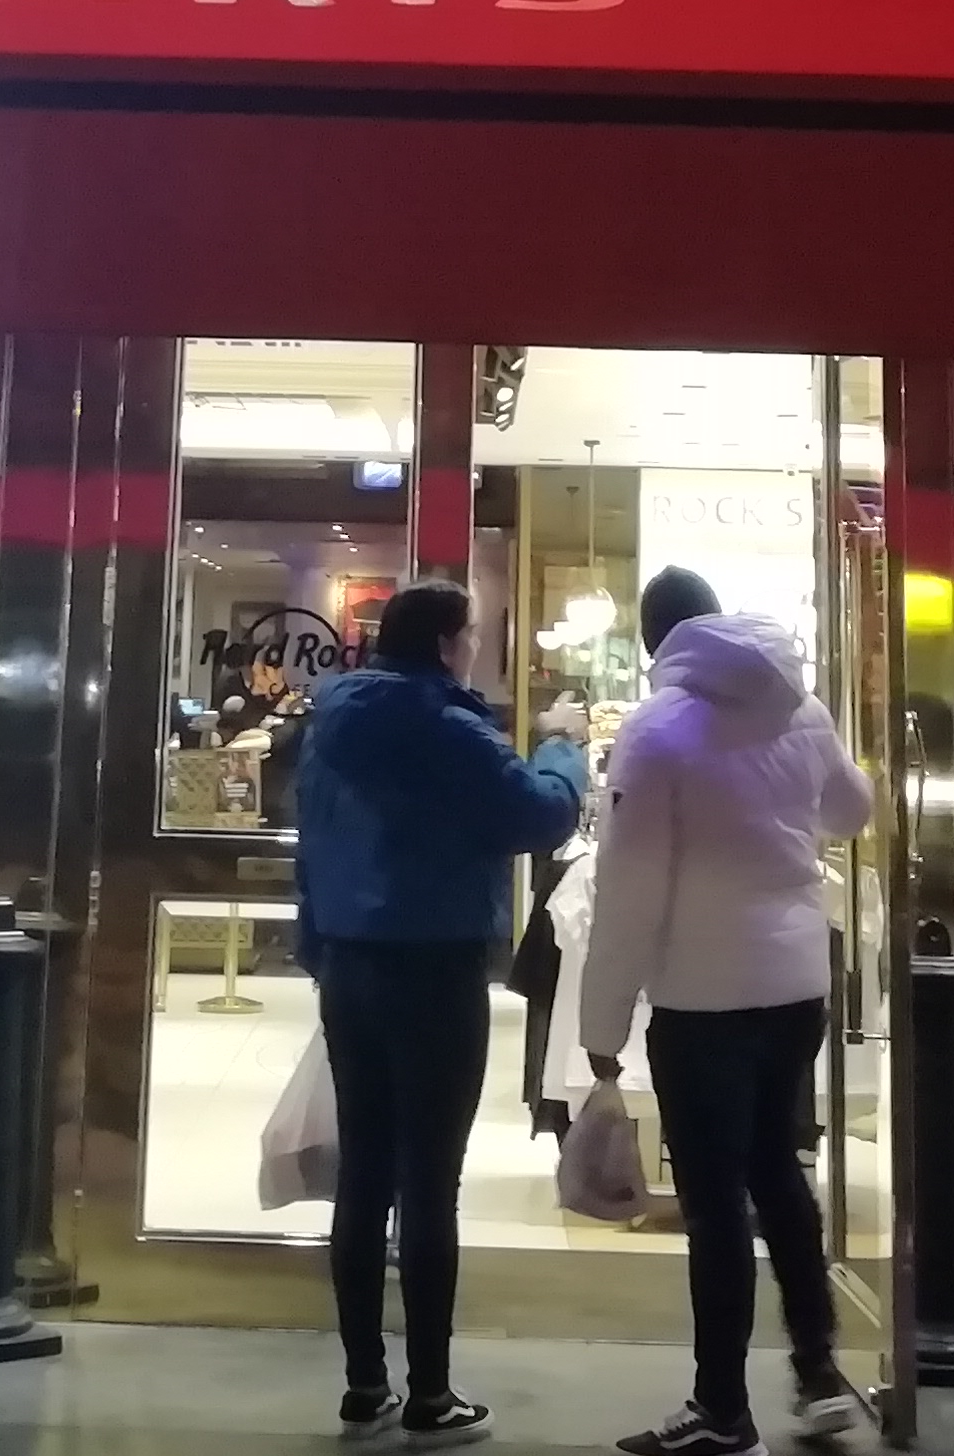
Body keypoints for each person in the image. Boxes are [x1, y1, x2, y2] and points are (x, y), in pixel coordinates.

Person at [577, 567, 877, 1456]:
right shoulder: (799, 705)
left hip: (702, 995)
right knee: (779, 1172)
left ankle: (721, 1408)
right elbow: (852, 810)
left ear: (654, 641)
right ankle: (818, 1373)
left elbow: (630, 893)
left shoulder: (658, 730)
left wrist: (601, 1028)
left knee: (713, 1206)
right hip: (794, 982)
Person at [293, 579, 583, 1445]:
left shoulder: (333, 719)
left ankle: (363, 1385)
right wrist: (562, 747)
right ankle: (431, 1394)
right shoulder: (448, 727)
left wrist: (320, 948)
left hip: (350, 964)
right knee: (429, 1181)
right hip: (435, 970)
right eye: (473, 634)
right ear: (451, 642)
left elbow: (313, 843)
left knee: (364, 1174)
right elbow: (540, 814)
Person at [510, 690, 594, 1137]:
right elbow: (542, 813)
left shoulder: (333, 730)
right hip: (441, 945)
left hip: (354, 943)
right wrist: (560, 739)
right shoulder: (458, 727)